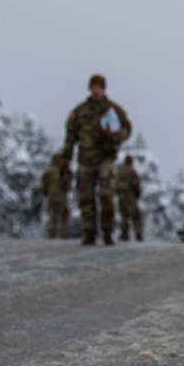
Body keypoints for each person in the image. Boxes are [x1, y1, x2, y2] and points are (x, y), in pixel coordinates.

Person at [61, 74, 132, 245]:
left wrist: (114, 137)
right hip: (85, 159)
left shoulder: (113, 110)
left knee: (106, 195)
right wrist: (66, 156)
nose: (96, 90)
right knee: (86, 197)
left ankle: (108, 232)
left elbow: (127, 129)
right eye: (94, 86)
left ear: (104, 89)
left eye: (99, 87)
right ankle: (89, 232)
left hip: (105, 159)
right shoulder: (80, 111)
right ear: (90, 88)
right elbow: (71, 135)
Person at [40, 153, 73, 239]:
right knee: (64, 213)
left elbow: (43, 184)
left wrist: (45, 191)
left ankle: (51, 232)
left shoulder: (49, 170)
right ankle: (64, 233)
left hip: (51, 194)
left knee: (52, 213)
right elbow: (69, 181)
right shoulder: (64, 171)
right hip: (61, 194)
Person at [115, 155, 144, 241]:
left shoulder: (119, 172)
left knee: (124, 217)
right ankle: (138, 233)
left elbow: (114, 185)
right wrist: (137, 194)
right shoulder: (132, 171)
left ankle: (124, 234)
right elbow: (136, 184)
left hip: (121, 197)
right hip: (130, 197)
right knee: (136, 216)